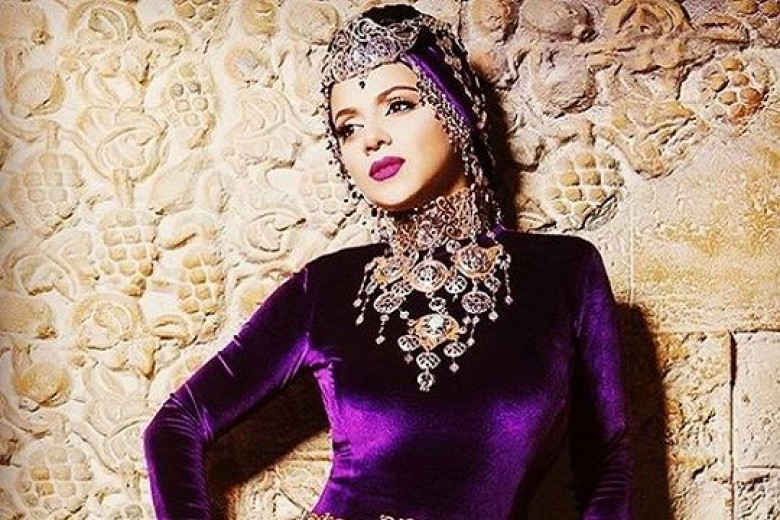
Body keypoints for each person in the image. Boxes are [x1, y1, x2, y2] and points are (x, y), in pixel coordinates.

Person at [143, 4, 633, 519]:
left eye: (397, 105)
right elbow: (176, 425)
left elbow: (606, 465)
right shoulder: (327, 288)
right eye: (348, 128)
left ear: (457, 108)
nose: (371, 138)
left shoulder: (563, 272)